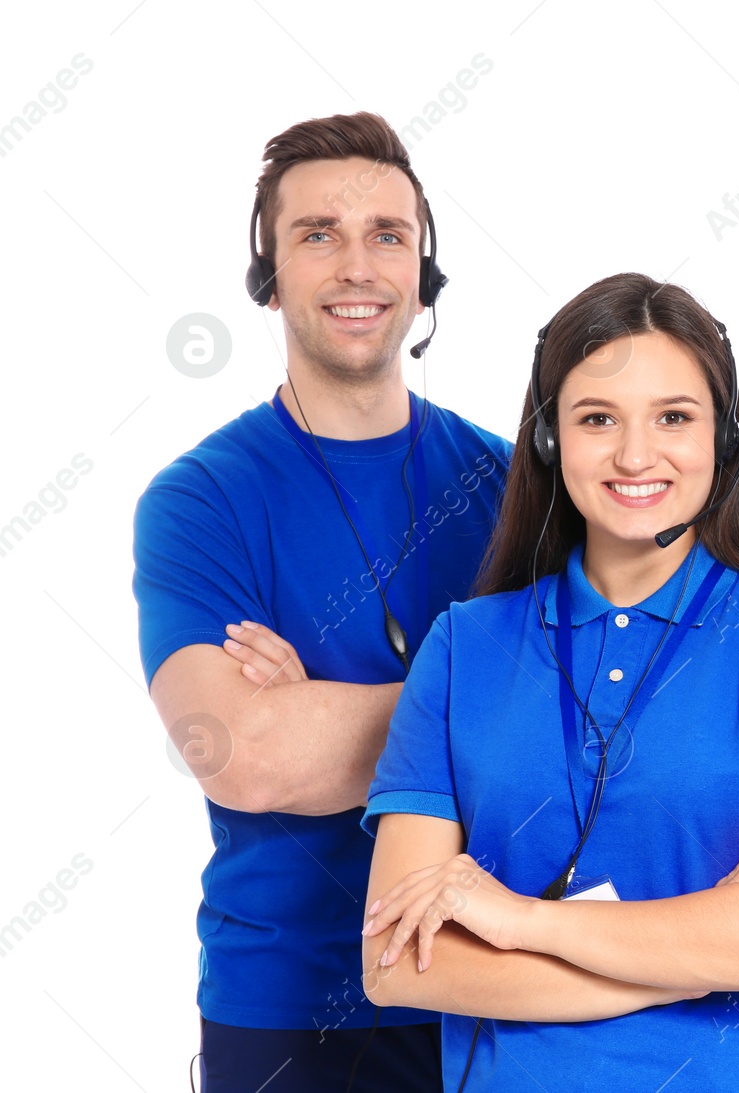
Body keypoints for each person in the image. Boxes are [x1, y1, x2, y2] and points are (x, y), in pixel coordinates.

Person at [358, 271, 739, 1092]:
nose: (636, 455)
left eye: (674, 417)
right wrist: (714, 946)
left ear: (726, 438)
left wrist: (523, 919)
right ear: (548, 440)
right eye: (597, 419)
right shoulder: (464, 645)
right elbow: (396, 961)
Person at [133, 112, 513, 1091]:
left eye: (389, 235)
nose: (359, 267)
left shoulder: (513, 488)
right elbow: (242, 754)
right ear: (268, 269)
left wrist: (318, 711)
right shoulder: (200, 500)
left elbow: (599, 728)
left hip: (493, 989)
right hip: (288, 1009)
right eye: (319, 235)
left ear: (425, 271)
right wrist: (500, 701)